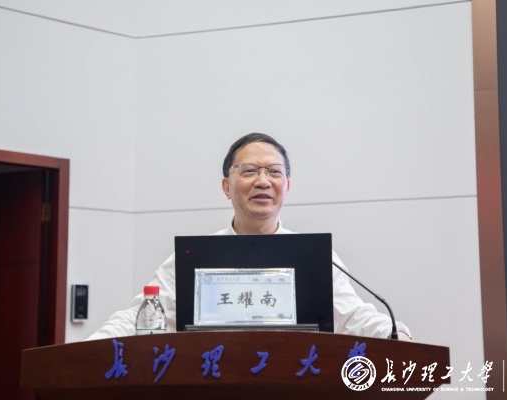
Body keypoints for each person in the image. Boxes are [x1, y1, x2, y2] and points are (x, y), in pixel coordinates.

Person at [87, 133, 412, 341]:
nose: (263, 181)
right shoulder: (195, 255)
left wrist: (396, 335)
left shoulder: (314, 256)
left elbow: (353, 316)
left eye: (274, 172)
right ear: (226, 187)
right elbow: (141, 315)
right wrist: (93, 347)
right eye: (249, 171)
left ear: (287, 186)